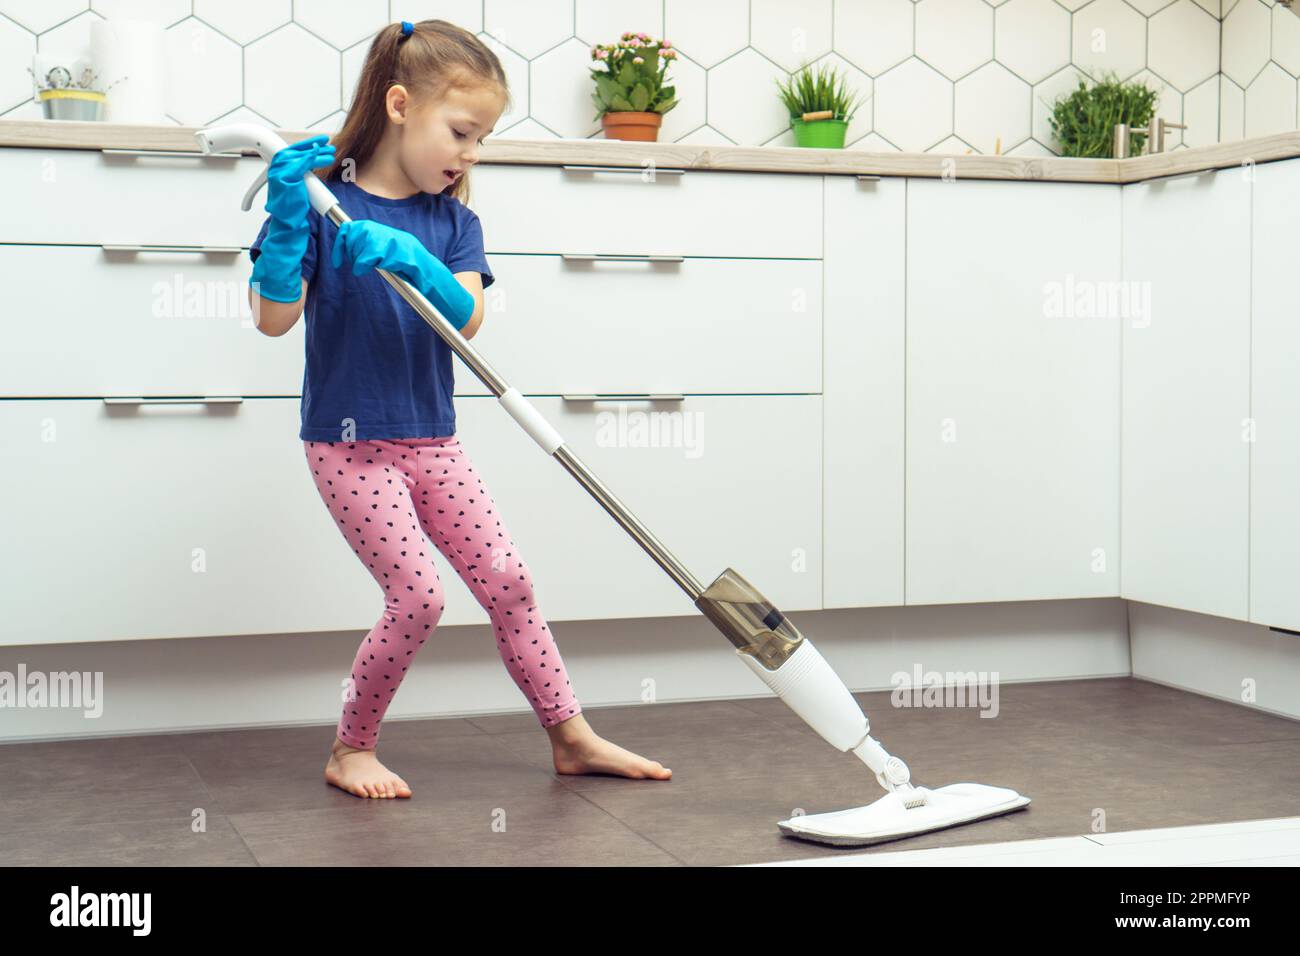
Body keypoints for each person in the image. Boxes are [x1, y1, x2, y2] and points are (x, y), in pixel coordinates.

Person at [247, 19, 672, 799]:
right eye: (462, 132)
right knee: (419, 596)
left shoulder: (453, 224)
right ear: (401, 104)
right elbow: (273, 318)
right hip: (348, 446)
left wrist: (409, 256)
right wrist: (282, 222)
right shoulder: (318, 204)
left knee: (508, 581)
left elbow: (467, 319)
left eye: (481, 139)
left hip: (433, 441)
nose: (470, 154)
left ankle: (570, 735)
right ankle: (351, 749)